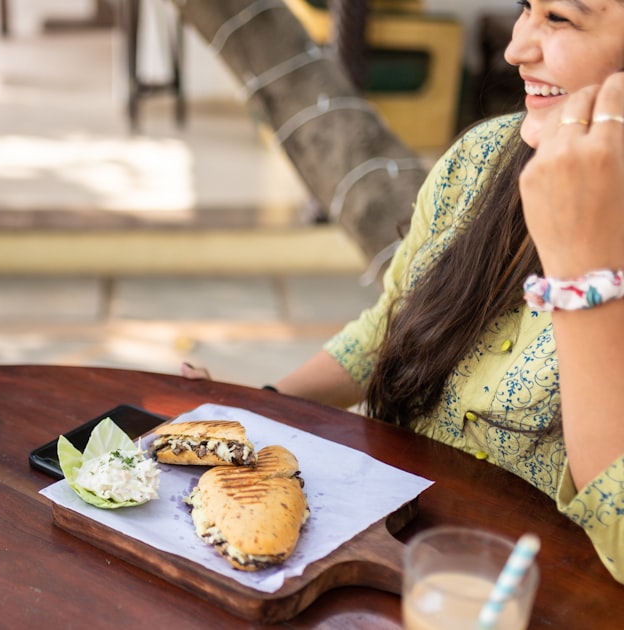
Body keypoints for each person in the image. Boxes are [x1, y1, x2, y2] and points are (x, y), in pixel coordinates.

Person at [187, 0, 624, 583]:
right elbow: (389, 327)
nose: (517, 47)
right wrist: (262, 409)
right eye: (526, 8)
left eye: (560, 19)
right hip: (393, 566)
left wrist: (581, 280)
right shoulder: (482, 159)